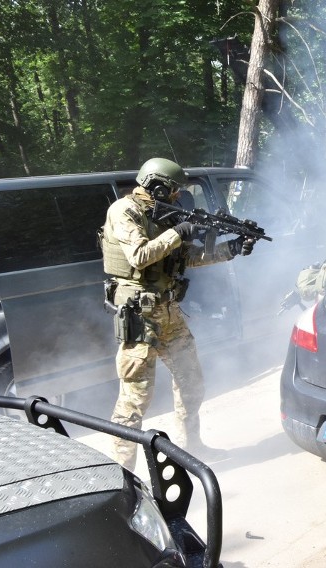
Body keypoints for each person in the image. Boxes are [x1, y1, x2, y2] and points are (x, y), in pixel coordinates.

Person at [100, 157, 256, 469]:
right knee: (135, 399)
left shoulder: (163, 217)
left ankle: (192, 449)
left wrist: (232, 248)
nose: (176, 197)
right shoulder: (125, 210)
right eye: (172, 191)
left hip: (169, 312)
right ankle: (122, 473)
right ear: (157, 184)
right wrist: (180, 231)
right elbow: (140, 255)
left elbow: (189, 259)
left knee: (191, 381)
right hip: (140, 316)